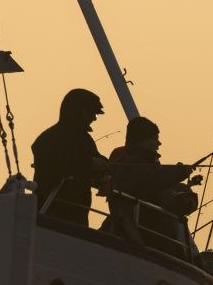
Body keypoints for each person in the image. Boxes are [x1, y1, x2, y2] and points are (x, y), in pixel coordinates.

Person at [104, 116, 197, 258]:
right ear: (143, 140)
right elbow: (150, 181)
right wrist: (178, 172)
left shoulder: (149, 166)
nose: (159, 143)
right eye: (155, 138)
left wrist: (186, 198)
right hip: (146, 243)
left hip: (158, 246)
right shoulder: (130, 165)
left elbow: (163, 193)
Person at [32, 88, 109, 227]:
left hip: (78, 216)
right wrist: (89, 164)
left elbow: (99, 162)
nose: (94, 118)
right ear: (79, 112)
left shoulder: (85, 140)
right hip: (50, 213)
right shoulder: (47, 140)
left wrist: (105, 177)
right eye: (91, 113)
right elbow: (55, 167)